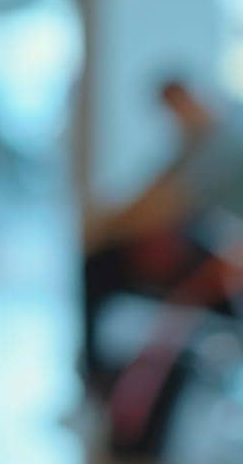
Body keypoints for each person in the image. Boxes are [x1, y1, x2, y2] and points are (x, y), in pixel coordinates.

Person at [79, 78, 243, 400]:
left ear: (191, 98)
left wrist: (107, 229)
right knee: (101, 261)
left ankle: (97, 376)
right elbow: (152, 191)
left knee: (100, 263)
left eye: (177, 110)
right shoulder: (195, 141)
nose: (176, 120)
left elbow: (168, 205)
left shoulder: (224, 141)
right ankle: (98, 377)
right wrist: (107, 223)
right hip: (226, 250)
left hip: (231, 262)